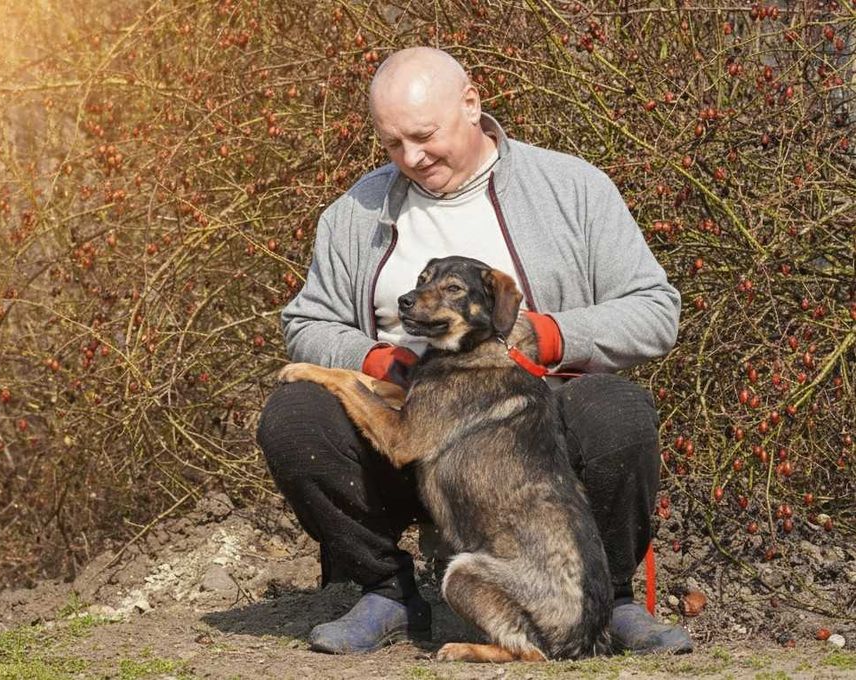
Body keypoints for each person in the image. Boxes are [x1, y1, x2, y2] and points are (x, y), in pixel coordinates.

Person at [257, 47, 692, 656]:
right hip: (407, 422)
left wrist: (551, 335)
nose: (411, 158)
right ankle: (387, 591)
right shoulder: (355, 213)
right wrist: (375, 359)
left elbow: (655, 310)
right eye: (391, 145)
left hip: (533, 445)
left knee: (616, 411)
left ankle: (606, 598)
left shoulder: (573, 189)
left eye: (424, 136)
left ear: (472, 103)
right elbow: (306, 319)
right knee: (294, 418)